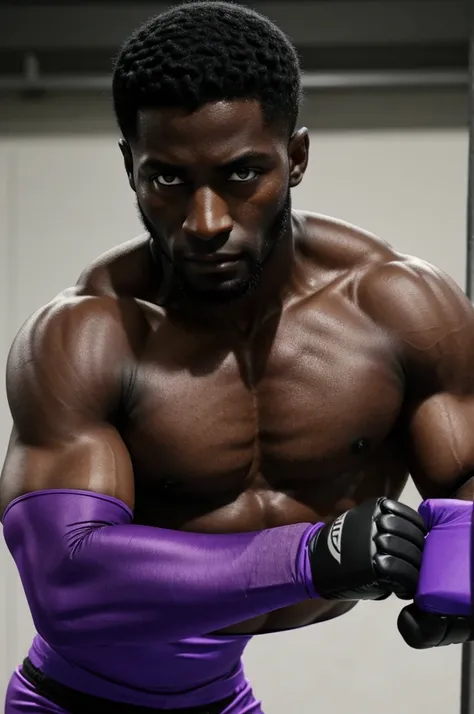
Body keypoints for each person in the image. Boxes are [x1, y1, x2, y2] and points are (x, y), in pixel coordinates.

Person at [1, 2, 473, 712]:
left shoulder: (401, 309)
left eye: (243, 174)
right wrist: (308, 556)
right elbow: (67, 584)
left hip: (217, 696)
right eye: (167, 180)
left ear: (298, 158)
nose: (206, 222)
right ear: (130, 167)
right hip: (75, 699)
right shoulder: (88, 335)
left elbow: (466, 477)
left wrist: (461, 572)